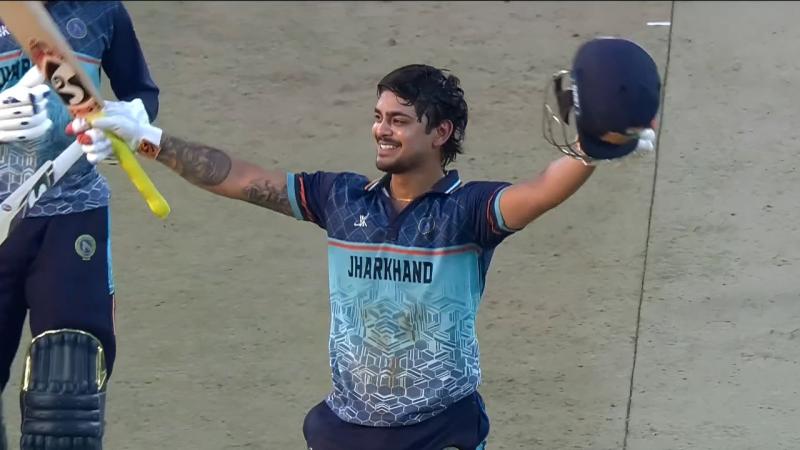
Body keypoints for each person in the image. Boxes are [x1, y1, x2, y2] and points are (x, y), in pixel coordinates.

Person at [71, 37, 660, 450]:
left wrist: (594, 148)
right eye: (379, 116)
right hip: (344, 431)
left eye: (399, 119)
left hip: (440, 431)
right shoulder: (341, 199)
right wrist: (149, 140)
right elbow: (240, 178)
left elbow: (543, 190)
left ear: (441, 132)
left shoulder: (468, 213)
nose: (381, 128)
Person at [0, 2, 159, 449]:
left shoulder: (101, 10)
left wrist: (130, 124)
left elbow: (140, 94)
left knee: (67, 391)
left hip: (72, 216)